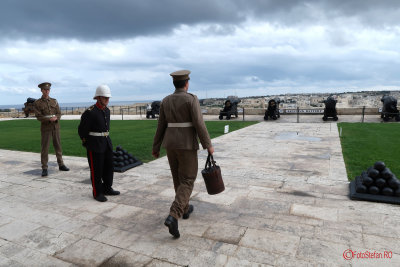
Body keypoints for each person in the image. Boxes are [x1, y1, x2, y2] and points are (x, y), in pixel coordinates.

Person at [152, 70, 214, 238]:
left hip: (170, 145)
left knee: (178, 179)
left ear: (175, 84)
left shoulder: (165, 101)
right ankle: (174, 214)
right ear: (187, 83)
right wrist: (208, 144)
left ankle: (185, 208)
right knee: (187, 180)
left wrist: (156, 146)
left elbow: (161, 126)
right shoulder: (191, 99)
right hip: (186, 144)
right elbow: (199, 124)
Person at [78, 85, 120, 202]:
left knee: (108, 167)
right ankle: (97, 193)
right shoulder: (90, 112)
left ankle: (107, 188)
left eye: (108, 98)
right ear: (98, 97)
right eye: (105, 97)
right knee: (97, 170)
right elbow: (82, 131)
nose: (107, 100)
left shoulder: (107, 110)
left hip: (106, 142)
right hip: (94, 144)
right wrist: (88, 144)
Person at [34, 82, 69, 177]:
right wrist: (49, 119)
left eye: (48, 89)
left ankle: (61, 164)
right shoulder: (37, 103)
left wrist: (56, 117)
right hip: (46, 128)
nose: (47, 91)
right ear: (41, 90)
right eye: (45, 89)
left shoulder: (54, 101)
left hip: (56, 127)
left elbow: (59, 113)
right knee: (45, 148)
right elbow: (38, 116)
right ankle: (44, 168)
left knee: (58, 146)